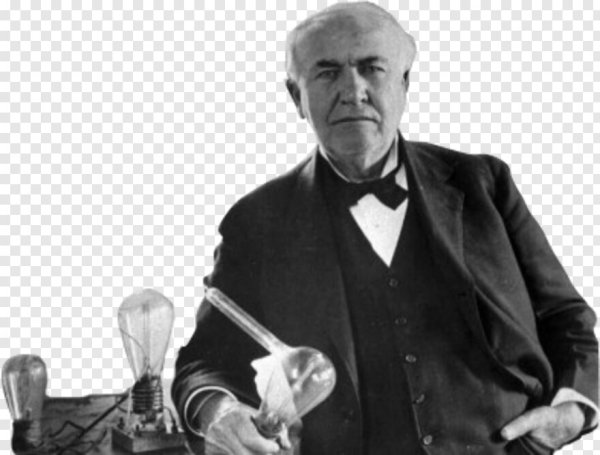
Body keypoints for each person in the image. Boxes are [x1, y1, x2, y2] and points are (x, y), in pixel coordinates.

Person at [172, 3, 598, 454]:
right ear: (296, 97)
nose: (352, 91)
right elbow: (204, 363)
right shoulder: (257, 220)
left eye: (371, 68)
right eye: (327, 73)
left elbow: (565, 318)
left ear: (404, 83)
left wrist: (572, 413)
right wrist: (219, 413)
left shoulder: (484, 183)